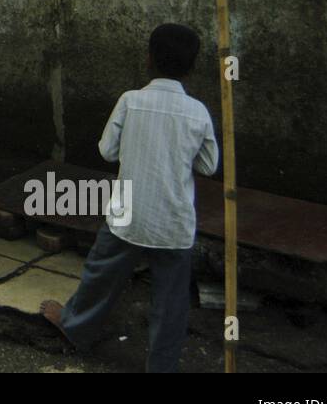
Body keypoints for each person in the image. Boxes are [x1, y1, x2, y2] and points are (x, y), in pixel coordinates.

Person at [41, 23, 219, 373]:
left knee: (101, 273)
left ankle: (77, 326)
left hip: (129, 214)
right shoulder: (197, 112)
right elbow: (209, 165)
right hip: (174, 220)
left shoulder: (131, 101)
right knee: (170, 300)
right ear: (191, 67)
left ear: (149, 58)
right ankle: (162, 365)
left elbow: (107, 151)